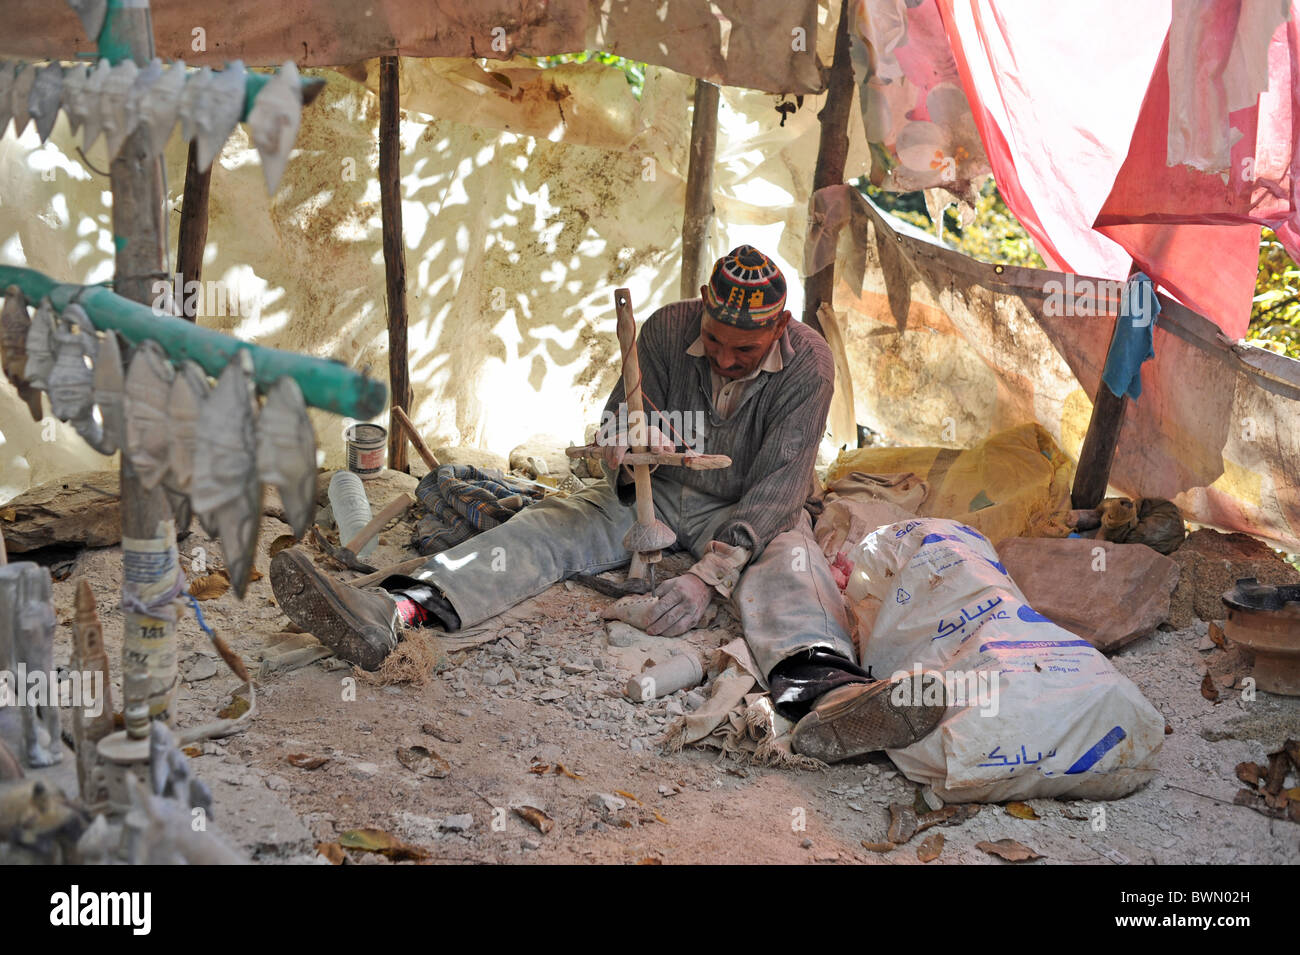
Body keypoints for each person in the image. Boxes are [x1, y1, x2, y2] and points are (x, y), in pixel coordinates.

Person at [270, 246, 945, 762]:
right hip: (661, 492)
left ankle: (829, 697)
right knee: (546, 527)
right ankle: (395, 607)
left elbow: (780, 481)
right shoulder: (661, 330)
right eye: (714, 340)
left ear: (782, 328)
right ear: (702, 310)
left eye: (745, 349)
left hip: (749, 507)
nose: (725, 357)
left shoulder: (810, 364)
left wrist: (707, 572)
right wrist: (622, 441)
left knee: (790, 568)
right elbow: (615, 419)